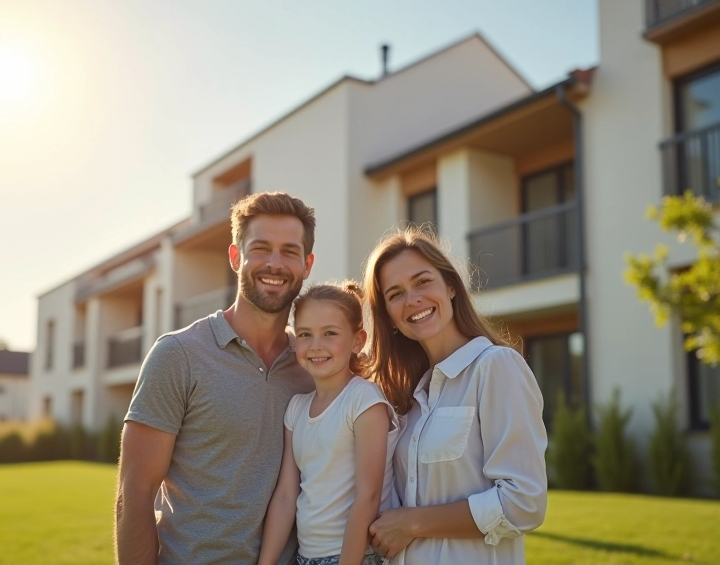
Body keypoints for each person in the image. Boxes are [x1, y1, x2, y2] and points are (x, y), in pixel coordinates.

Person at [115, 191, 317, 565]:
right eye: (261, 248)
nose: (275, 263)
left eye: (289, 251)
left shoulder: (314, 367)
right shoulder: (178, 355)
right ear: (235, 257)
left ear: (307, 264)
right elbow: (135, 492)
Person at [362, 228, 547, 565]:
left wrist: (414, 523)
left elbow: (524, 503)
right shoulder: (407, 398)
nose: (413, 299)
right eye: (395, 294)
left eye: (422, 282)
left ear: (450, 287)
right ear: (388, 318)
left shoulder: (495, 367)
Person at [258, 281, 399, 565]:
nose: (316, 345)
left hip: (357, 557)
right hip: (305, 557)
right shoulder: (296, 408)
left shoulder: (364, 400)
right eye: (305, 334)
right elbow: (286, 495)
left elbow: (368, 496)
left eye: (330, 334)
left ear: (358, 341)